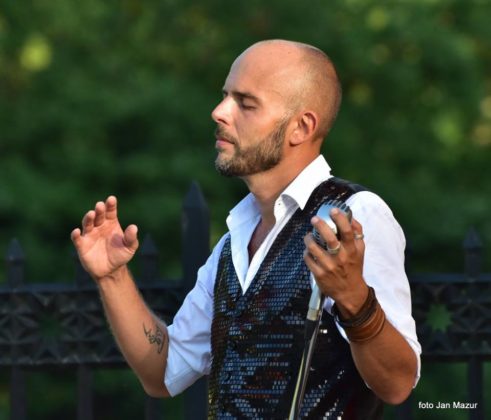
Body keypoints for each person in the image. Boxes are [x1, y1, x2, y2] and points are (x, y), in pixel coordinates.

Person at [71, 40, 421, 419]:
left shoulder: (354, 216)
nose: (219, 112)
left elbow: (397, 384)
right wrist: (112, 277)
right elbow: (163, 372)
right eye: (225, 96)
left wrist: (356, 300)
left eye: (246, 103)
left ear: (301, 127)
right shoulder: (233, 242)